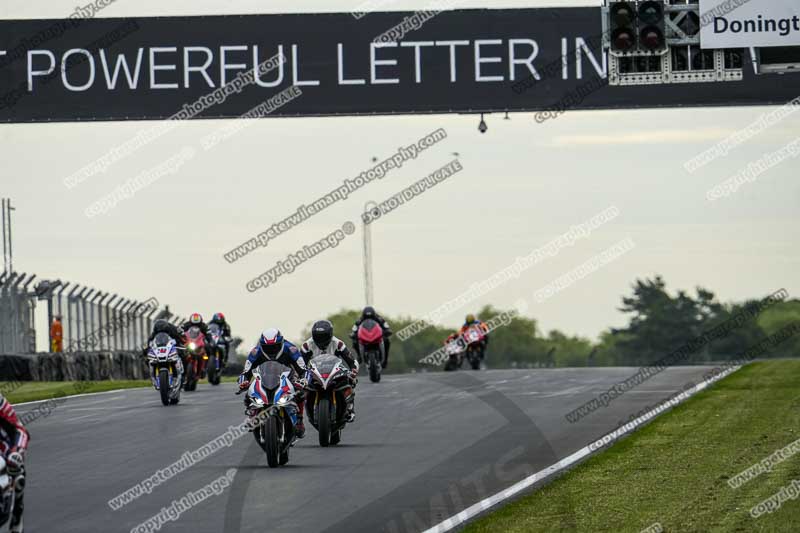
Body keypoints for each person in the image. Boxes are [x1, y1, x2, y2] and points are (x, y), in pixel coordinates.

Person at [237, 328, 308, 438]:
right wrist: (243, 382)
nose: (271, 350)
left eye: (274, 346)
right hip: (264, 377)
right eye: (267, 347)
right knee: (249, 391)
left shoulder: (291, 349)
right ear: (261, 345)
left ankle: (299, 420)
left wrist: (303, 380)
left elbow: (304, 369)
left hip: (287, 377)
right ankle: (252, 414)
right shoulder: (255, 352)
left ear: (281, 343)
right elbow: (245, 372)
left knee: (300, 393)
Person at [302, 320, 359, 422]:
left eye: (324, 336)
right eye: (318, 336)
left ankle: (350, 409)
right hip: (315, 374)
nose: (321, 339)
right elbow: (300, 364)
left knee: (350, 380)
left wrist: (353, 371)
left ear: (330, 334)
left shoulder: (338, 344)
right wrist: (300, 376)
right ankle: (301, 416)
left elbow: (352, 361)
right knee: (301, 388)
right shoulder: (307, 346)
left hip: (334, 372)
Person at [0, 394, 29, 533]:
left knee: (17, 471)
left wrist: (16, 451)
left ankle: (17, 509)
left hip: (2, 451)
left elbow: (19, 430)